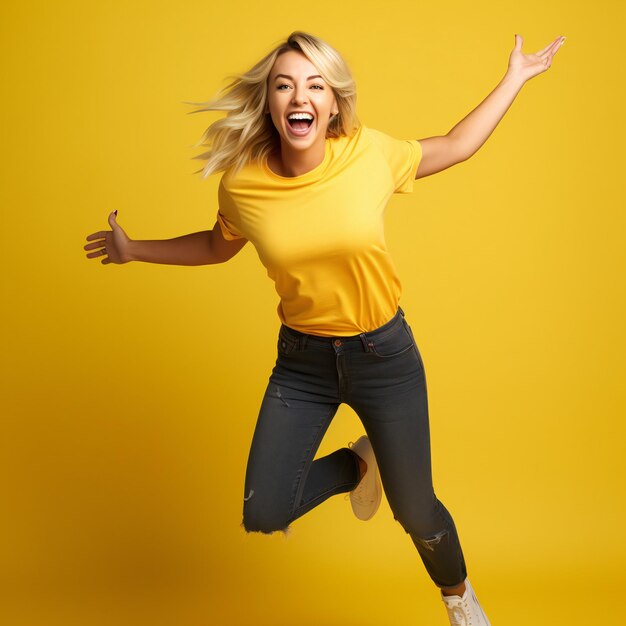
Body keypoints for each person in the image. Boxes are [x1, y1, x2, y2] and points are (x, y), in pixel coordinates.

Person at [84, 30, 566, 626]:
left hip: (383, 355)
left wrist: (516, 76)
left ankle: (459, 598)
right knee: (264, 509)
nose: (298, 96)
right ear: (269, 102)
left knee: (417, 513)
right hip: (303, 364)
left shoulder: (368, 154)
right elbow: (215, 246)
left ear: (333, 103)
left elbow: (457, 145)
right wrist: (136, 250)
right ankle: (360, 467)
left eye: (314, 84)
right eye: (284, 85)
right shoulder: (242, 185)